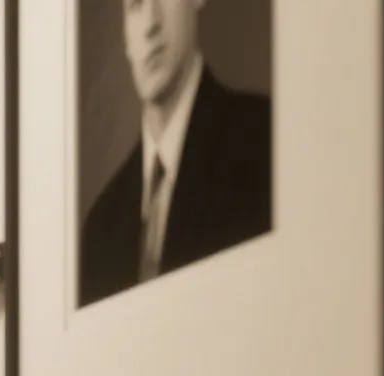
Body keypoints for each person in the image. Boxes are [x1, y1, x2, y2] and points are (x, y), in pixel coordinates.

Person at [78, 0, 271, 307]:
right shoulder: (99, 231)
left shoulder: (265, 146)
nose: (150, 24)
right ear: (126, 38)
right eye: (135, 5)